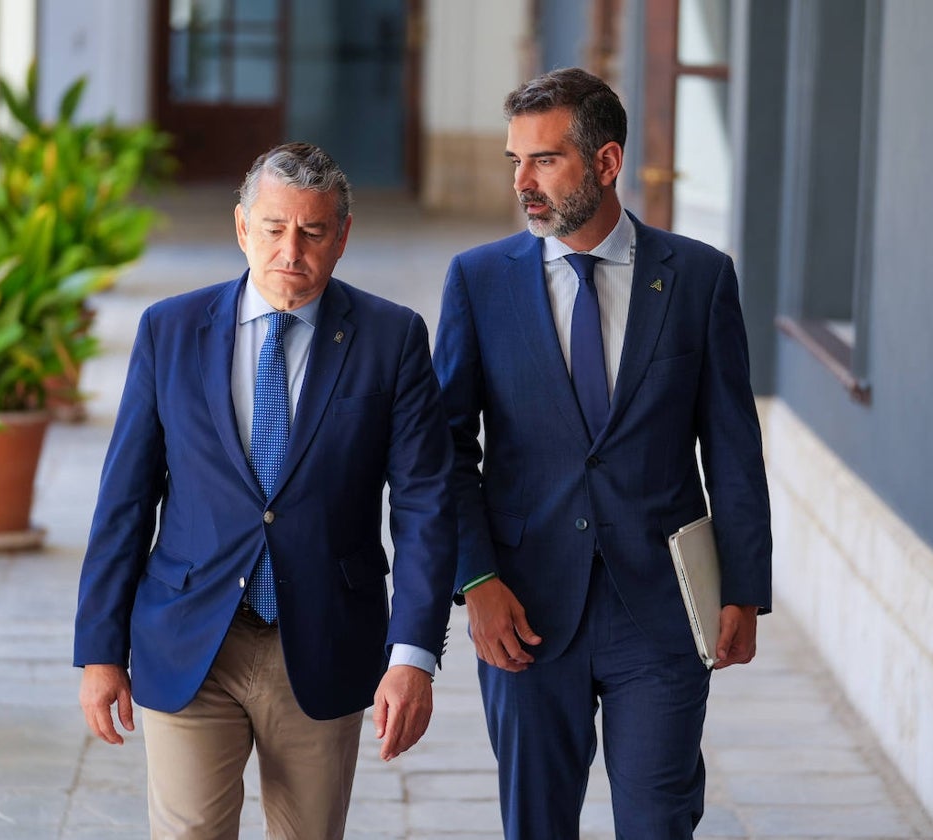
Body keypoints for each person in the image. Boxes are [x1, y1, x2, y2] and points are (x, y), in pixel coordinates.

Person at [74, 142, 456, 840]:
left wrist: (412, 656)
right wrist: (100, 648)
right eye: (275, 228)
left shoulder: (391, 338)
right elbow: (126, 498)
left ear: (342, 237)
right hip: (190, 636)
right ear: (243, 227)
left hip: (323, 641)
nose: (292, 251)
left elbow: (426, 506)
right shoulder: (171, 331)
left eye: (313, 232)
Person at [432, 68, 773, 839]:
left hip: (657, 611)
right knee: (537, 824)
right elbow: (445, 450)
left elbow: (732, 448)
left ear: (607, 163)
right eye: (514, 161)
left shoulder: (698, 279)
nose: (523, 182)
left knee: (658, 821)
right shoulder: (479, 282)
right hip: (524, 610)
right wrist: (476, 580)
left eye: (545, 160)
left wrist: (744, 586)